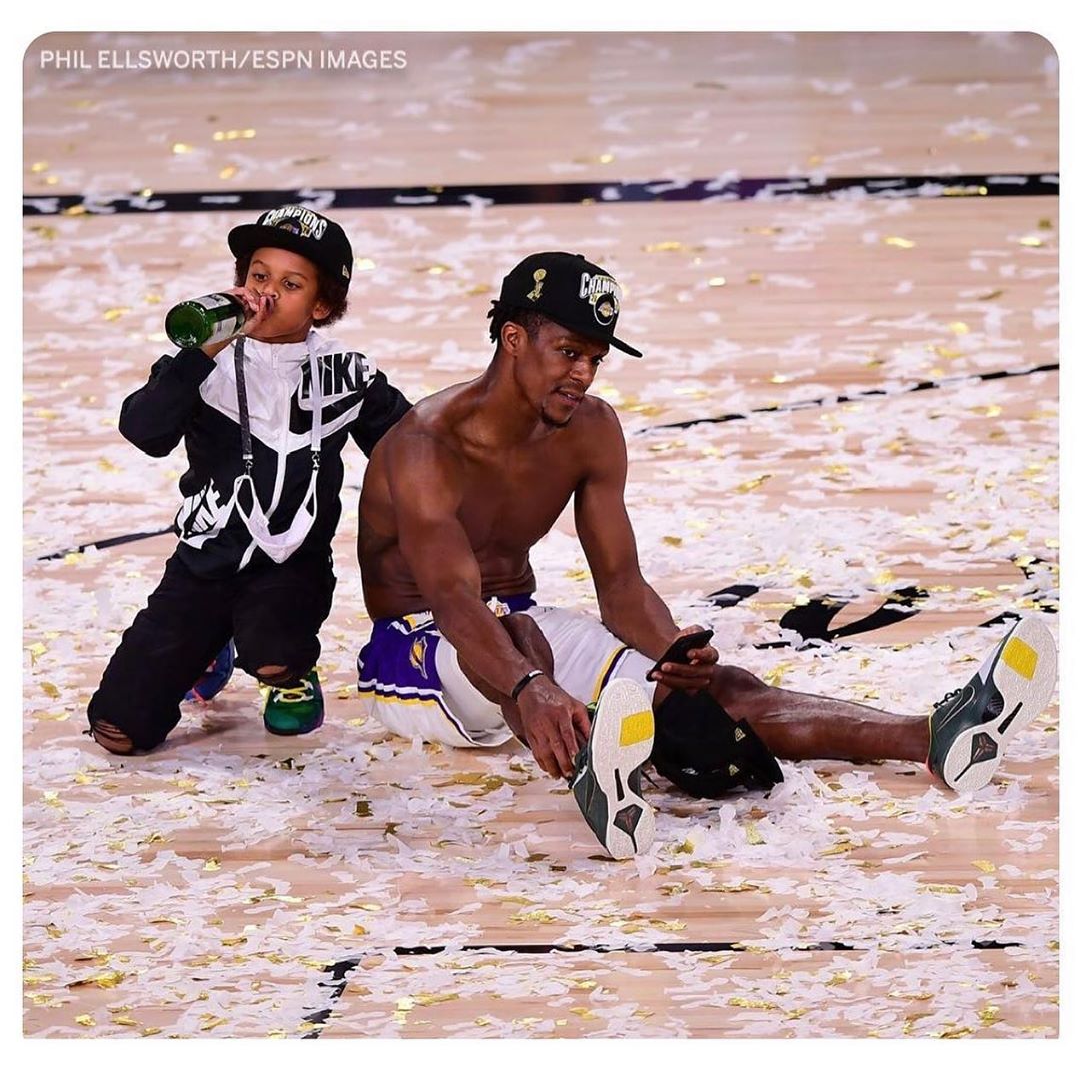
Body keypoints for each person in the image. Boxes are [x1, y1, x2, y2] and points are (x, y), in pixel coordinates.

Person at [353, 252, 1058, 860]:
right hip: (414, 655)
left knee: (717, 690)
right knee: (521, 637)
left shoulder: (590, 431)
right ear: (514, 338)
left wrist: (672, 652)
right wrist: (529, 686)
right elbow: (454, 601)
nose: (584, 374)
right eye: (569, 352)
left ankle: (934, 737)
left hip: (520, 630)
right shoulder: (423, 448)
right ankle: (591, 768)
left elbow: (621, 585)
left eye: (595, 359)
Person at [87, 206, 411, 753]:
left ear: (322, 305)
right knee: (117, 730)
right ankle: (210, 646)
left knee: (274, 649)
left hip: (291, 564)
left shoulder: (347, 374)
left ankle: (287, 674)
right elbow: (144, 432)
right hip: (204, 561)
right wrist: (201, 352)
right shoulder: (203, 364)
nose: (266, 293)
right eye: (259, 276)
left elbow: (410, 448)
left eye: (290, 284)